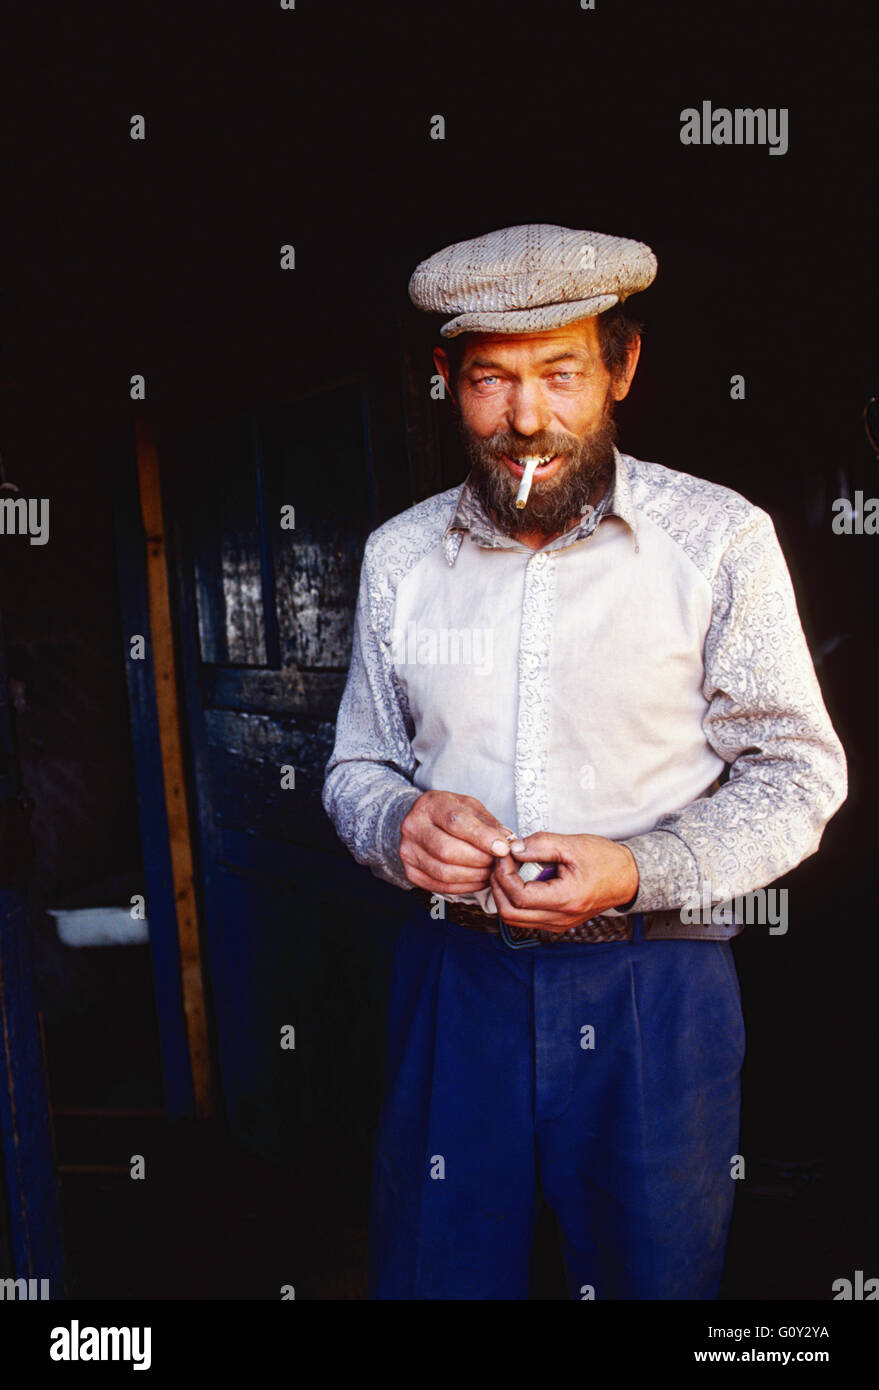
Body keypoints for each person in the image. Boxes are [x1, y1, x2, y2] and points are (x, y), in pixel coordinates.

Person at [321, 223, 847, 1300]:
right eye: (490, 381)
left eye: (561, 374)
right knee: (436, 1276)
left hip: (659, 988)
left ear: (623, 366)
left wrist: (640, 867)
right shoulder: (401, 557)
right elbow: (357, 765)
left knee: (657, 1281)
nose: (527, 419)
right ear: (445, 381)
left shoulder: (718, 540)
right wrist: (392, 825)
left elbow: (800, 774)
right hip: (453, 982)